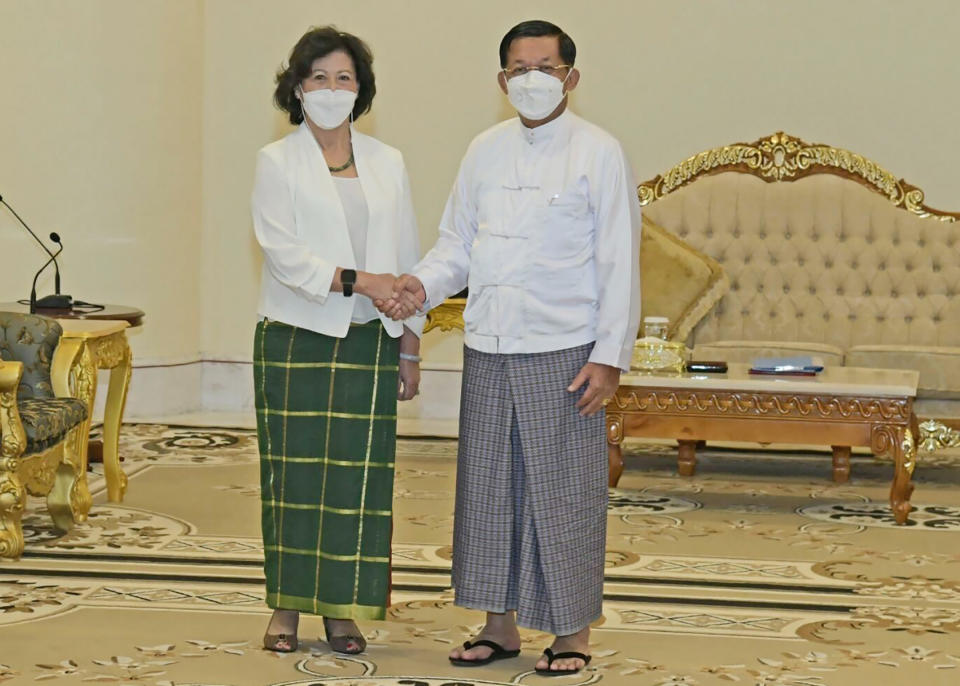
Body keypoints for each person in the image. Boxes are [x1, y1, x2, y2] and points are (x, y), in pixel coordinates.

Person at [379, 19, 641, 677]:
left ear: (571, 77)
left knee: (564, 495)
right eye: (518, 69)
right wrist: (419, 284)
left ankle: (571, 633)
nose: (531, 79)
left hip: (566, 348)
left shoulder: (599, 151)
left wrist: (609, 356)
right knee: (488, 493)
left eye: (545, 67)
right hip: (491, 345)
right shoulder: (483, 151)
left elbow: (618, 260)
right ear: (501, 81)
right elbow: (458, 245)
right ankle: (497, 626)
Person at [251, 26, 424, 655]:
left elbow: (406, 256)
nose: (331, 89)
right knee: (293, 481)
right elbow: (285, 257)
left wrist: (410, 344)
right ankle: (287, 609)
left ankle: (342, 611)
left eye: (343, 77)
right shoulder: (277, 162)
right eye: (318, 77)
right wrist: (363, 280)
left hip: (369, 340)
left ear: (361, 89)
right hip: (296, 339)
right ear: (298, 89)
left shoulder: (388, 161)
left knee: (359, 482)